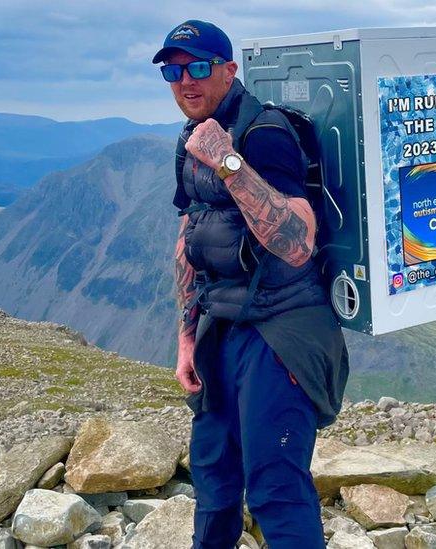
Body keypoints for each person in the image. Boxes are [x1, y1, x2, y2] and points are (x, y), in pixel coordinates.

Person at [153, 20, 350, 548]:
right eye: (173, 70)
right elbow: (189, 233)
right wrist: (187, 335)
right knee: (214, 481)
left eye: (198, 66)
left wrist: (228, 162)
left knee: (276, 490)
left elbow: (296, 242)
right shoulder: (192, 138)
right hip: (220, 326)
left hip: (280, 333)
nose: (185, 81)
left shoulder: (264, 135)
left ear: (229, 70)